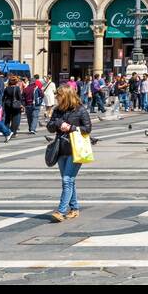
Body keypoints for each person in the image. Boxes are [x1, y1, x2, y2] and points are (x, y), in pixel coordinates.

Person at [46, 83, 92, 223]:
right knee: (69, 181)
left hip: (76, 149)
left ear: (65, 96)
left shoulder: (80, 110)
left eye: (58, 95)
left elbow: (88, 128)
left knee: (67, 180)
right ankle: (75, 208)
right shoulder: (58, 110)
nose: (56, 98)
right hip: (61, 149)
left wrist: (72, 127)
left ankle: (61, 211)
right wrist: (58, 123)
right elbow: (50, 127)